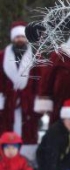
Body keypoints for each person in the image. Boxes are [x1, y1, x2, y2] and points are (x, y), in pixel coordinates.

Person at [0, 21, 42, 162]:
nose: (20, 40)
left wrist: (38, 103)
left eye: (23, 37)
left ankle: (26, 162)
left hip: (28, 104)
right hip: (7, 103)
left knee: (28, 132)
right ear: (13, 38)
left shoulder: (36, 57)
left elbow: (40, 82)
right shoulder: (2, 57)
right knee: (6, 129)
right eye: (17, 37)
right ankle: (6, 161)